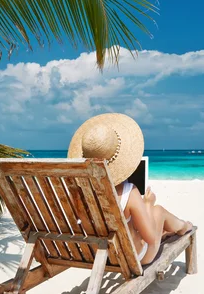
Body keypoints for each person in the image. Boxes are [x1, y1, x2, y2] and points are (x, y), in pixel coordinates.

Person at [68, 113, 193, 265]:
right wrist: (147, 203)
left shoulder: (79, 191)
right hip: (133, 257)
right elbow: (151, 239)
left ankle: (177, 227)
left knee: (146, 216)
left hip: (100, 256)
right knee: (158, 211)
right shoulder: (129, 192)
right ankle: (183, 227)